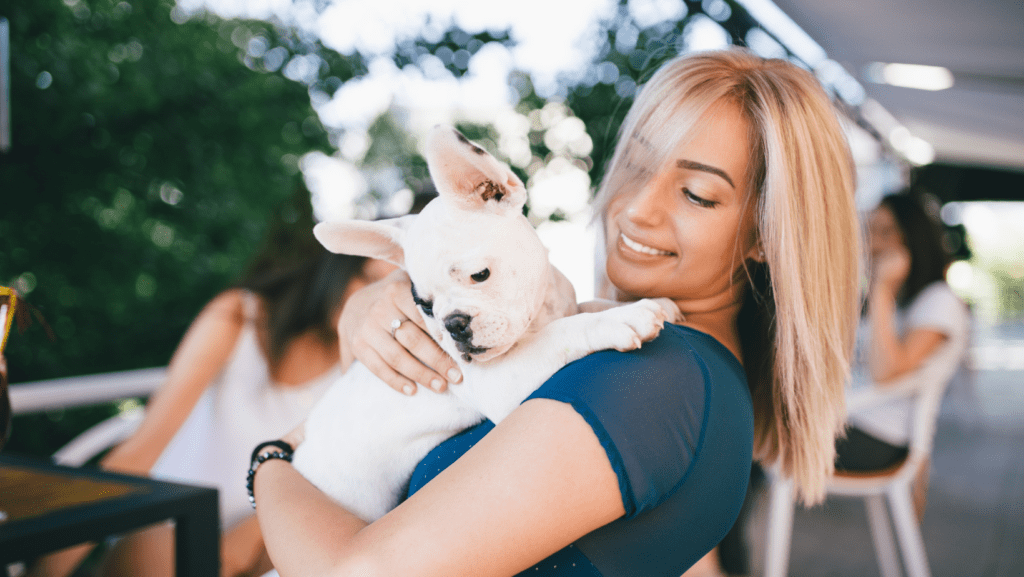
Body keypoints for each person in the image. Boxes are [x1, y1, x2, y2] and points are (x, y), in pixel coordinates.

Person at [248, 48, 862, 577]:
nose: (638, 208)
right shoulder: (668, 373)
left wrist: (272, 461)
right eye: (640, 163)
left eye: (697, 194)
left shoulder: (659, 378)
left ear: (767, 233)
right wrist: (391, 303)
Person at [28, 194, 397, 577]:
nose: (372, 302)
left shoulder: (369, 372)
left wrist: (239, 550)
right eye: (368, 279)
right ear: (337, 268)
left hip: (262, 542)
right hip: (167, 524)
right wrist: (45, 571)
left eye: (391, 291)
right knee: (168, 549)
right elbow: (140, 452)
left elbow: (328, 486)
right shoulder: (239, 315)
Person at [838, 192, 970, 473]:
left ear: (913, 238)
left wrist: (882, 291)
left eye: (885, 231)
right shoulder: (901, 301)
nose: (871, 242)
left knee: (751, 433)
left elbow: (886, 372)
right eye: (869, 229)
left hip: (876, 435)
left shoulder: (939, 300)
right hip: (848, 418)